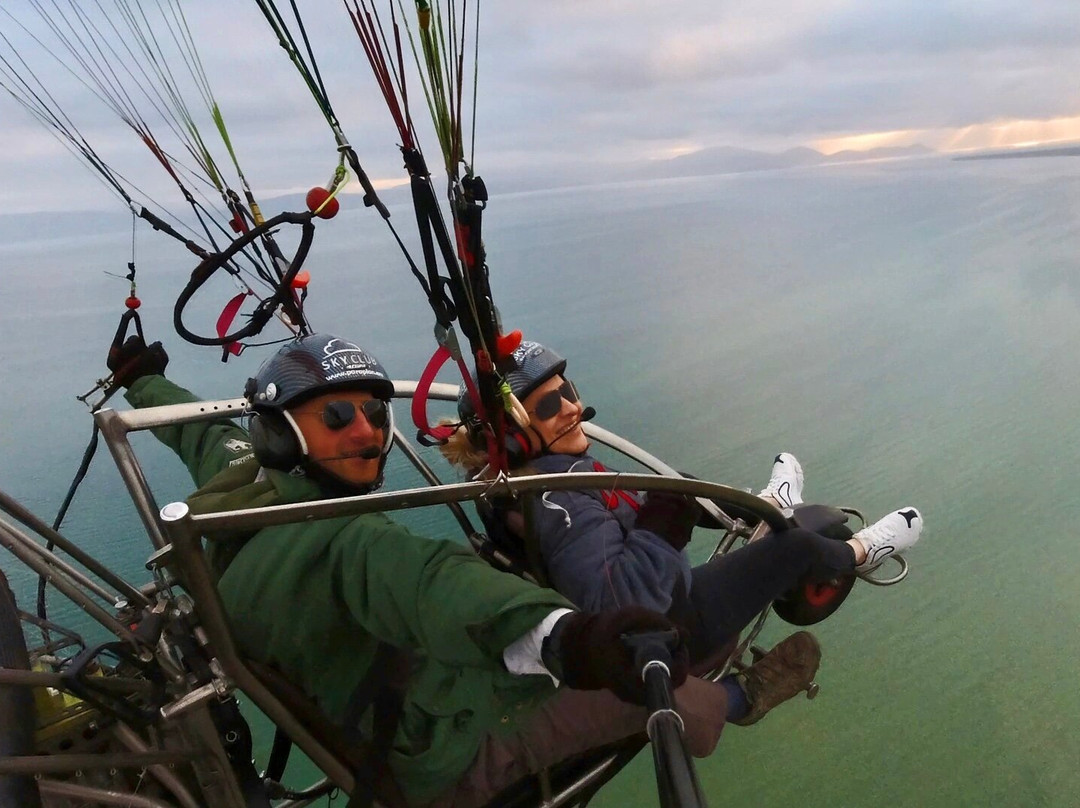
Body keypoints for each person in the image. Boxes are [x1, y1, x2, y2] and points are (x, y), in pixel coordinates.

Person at [108, 333, 739, 808]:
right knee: (665, 683)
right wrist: (572, 637)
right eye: (335, 416)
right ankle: (735, 699)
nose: (366, 431)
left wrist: (143, 381)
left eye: (374, 414)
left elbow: (200, 432)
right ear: (280, 430)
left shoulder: (243, 483)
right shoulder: (347, 541)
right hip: (445, 748)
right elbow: (430, 580)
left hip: (378, 697)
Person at [440, 340, 926, 723]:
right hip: (672, 627)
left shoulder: (537, 477)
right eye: (550, 406)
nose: (573, 407)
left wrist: (670, 503)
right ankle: (864, 552)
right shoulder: (555, 502)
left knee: (682, 487)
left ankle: (761, 510)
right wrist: (665, 518)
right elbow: (625, 602)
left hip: (655, 592)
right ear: (512, 436)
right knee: (794, 546)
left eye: (569, 392)